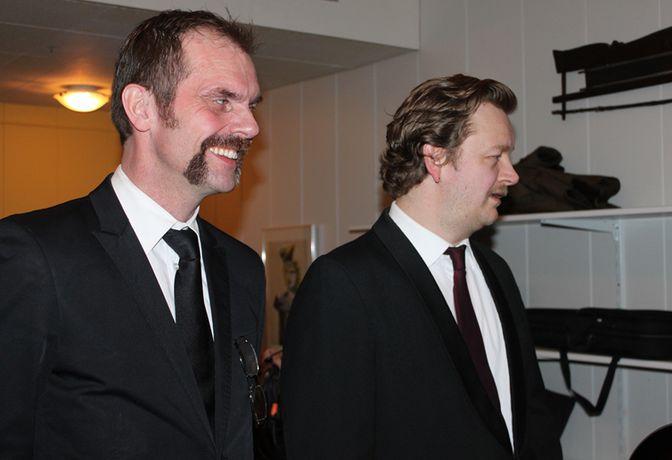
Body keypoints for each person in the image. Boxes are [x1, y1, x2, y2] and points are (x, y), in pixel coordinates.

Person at [0, 10, 265, 459]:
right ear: (142, 108)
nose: (250, 126)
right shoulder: (37, 256)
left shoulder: (242, 267)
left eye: (251, 104)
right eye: (222, 100)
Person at [281, 74, 563, 459]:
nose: (512, 175)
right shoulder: (343, 284)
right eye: (495, 157)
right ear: (436, 159)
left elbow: (532, 414)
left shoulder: (496, 270)